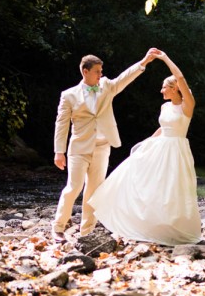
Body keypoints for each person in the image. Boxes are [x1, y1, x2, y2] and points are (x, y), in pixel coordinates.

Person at [88, 51, 201, 246]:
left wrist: (165, 58)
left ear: (175, 89)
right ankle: (149, 225)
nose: (161, 91)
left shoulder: (186, 106)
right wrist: (146, 143)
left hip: (176, 151)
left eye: (164, 87)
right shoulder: (164, 108)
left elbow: (181, 78)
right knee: (147, 185)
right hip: (159, 148)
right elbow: (163, 128)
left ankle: (175, 228)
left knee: (174, 190)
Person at [52, 48, 161, 243]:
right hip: (78, 149)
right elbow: (61, 125)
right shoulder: (68, 95)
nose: (101, 74)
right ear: (85, 71)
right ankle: (58, 227)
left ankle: (86, 231)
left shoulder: (106, 86)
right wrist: (59, 152)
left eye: (101, 71)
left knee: (94, 190)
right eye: (97, 71)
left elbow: (123, 79)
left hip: (102, 147)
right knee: (73, 187)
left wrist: (143, 62)